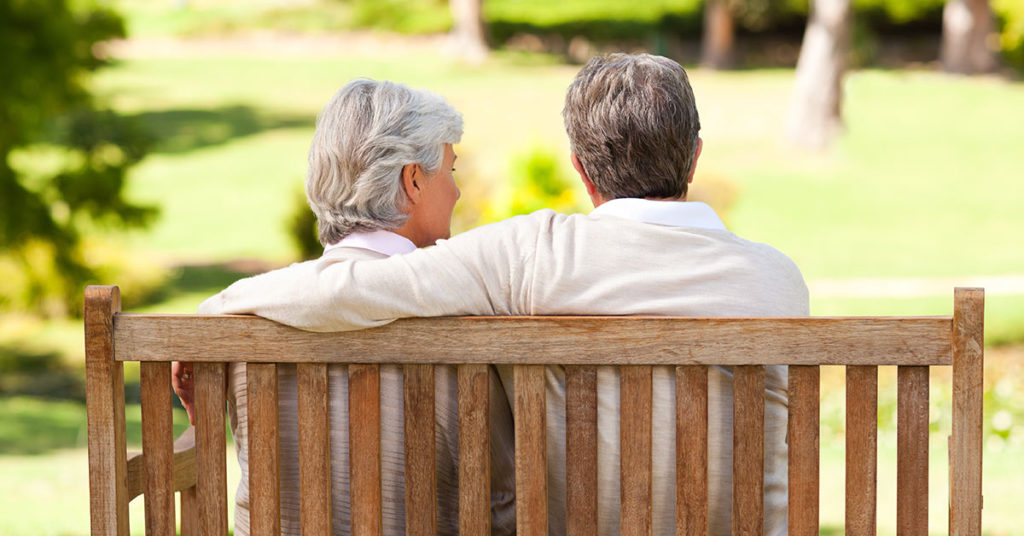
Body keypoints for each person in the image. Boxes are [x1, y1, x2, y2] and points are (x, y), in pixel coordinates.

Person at [197, 54, 809, 535]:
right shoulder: (778, 280)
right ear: (694, 157)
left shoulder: (532, 253)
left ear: (581, 168)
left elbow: (354, 287)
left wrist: (218, 313)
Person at [172, 79, 516, 536]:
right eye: (450, 171)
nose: (456, 192)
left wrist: (208, 317)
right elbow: (503, 500)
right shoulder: (465, 306)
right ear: (413, 179)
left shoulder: (245, 315)